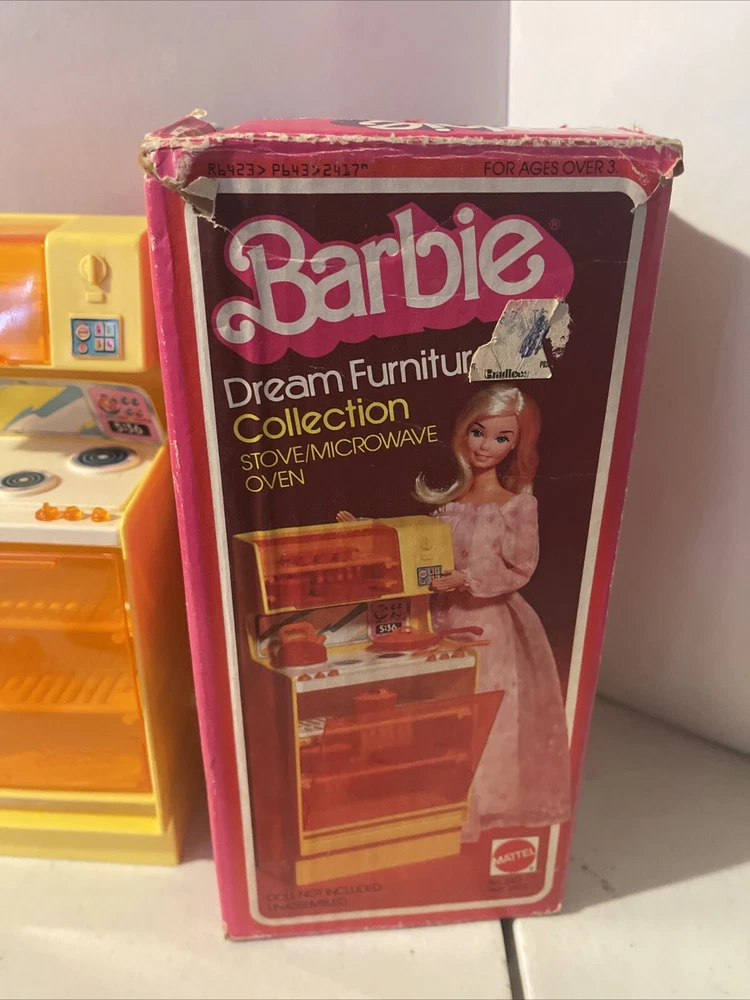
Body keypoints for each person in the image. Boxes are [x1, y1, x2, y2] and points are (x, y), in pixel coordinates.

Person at [341, 383, 571, 840]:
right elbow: (419, 545)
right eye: (477, 432)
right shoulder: (449, 503)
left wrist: (466, 579)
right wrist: (374, 531)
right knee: (438, 712)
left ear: (515, 445)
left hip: (488, 623)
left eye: (501, 438)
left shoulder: (516, 507)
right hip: (439, 619)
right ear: (463, 431)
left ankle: (477, 812)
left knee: (481, 713)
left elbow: (521, 567)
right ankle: (436, 809)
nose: (485, 446)